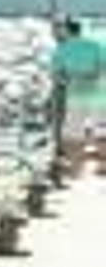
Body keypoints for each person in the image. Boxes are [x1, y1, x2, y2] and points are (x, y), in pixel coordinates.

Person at [50, 17, 106, 168]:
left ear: (67, 31)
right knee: (101, 130)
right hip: (99, 95)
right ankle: (103, 166)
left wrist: (72, 79)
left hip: (75, 96)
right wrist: (91, 76)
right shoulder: (97, 45)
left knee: (73, 133)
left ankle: (76, 167)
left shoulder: (61, 50)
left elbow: (57, 76)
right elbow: (102, 69)